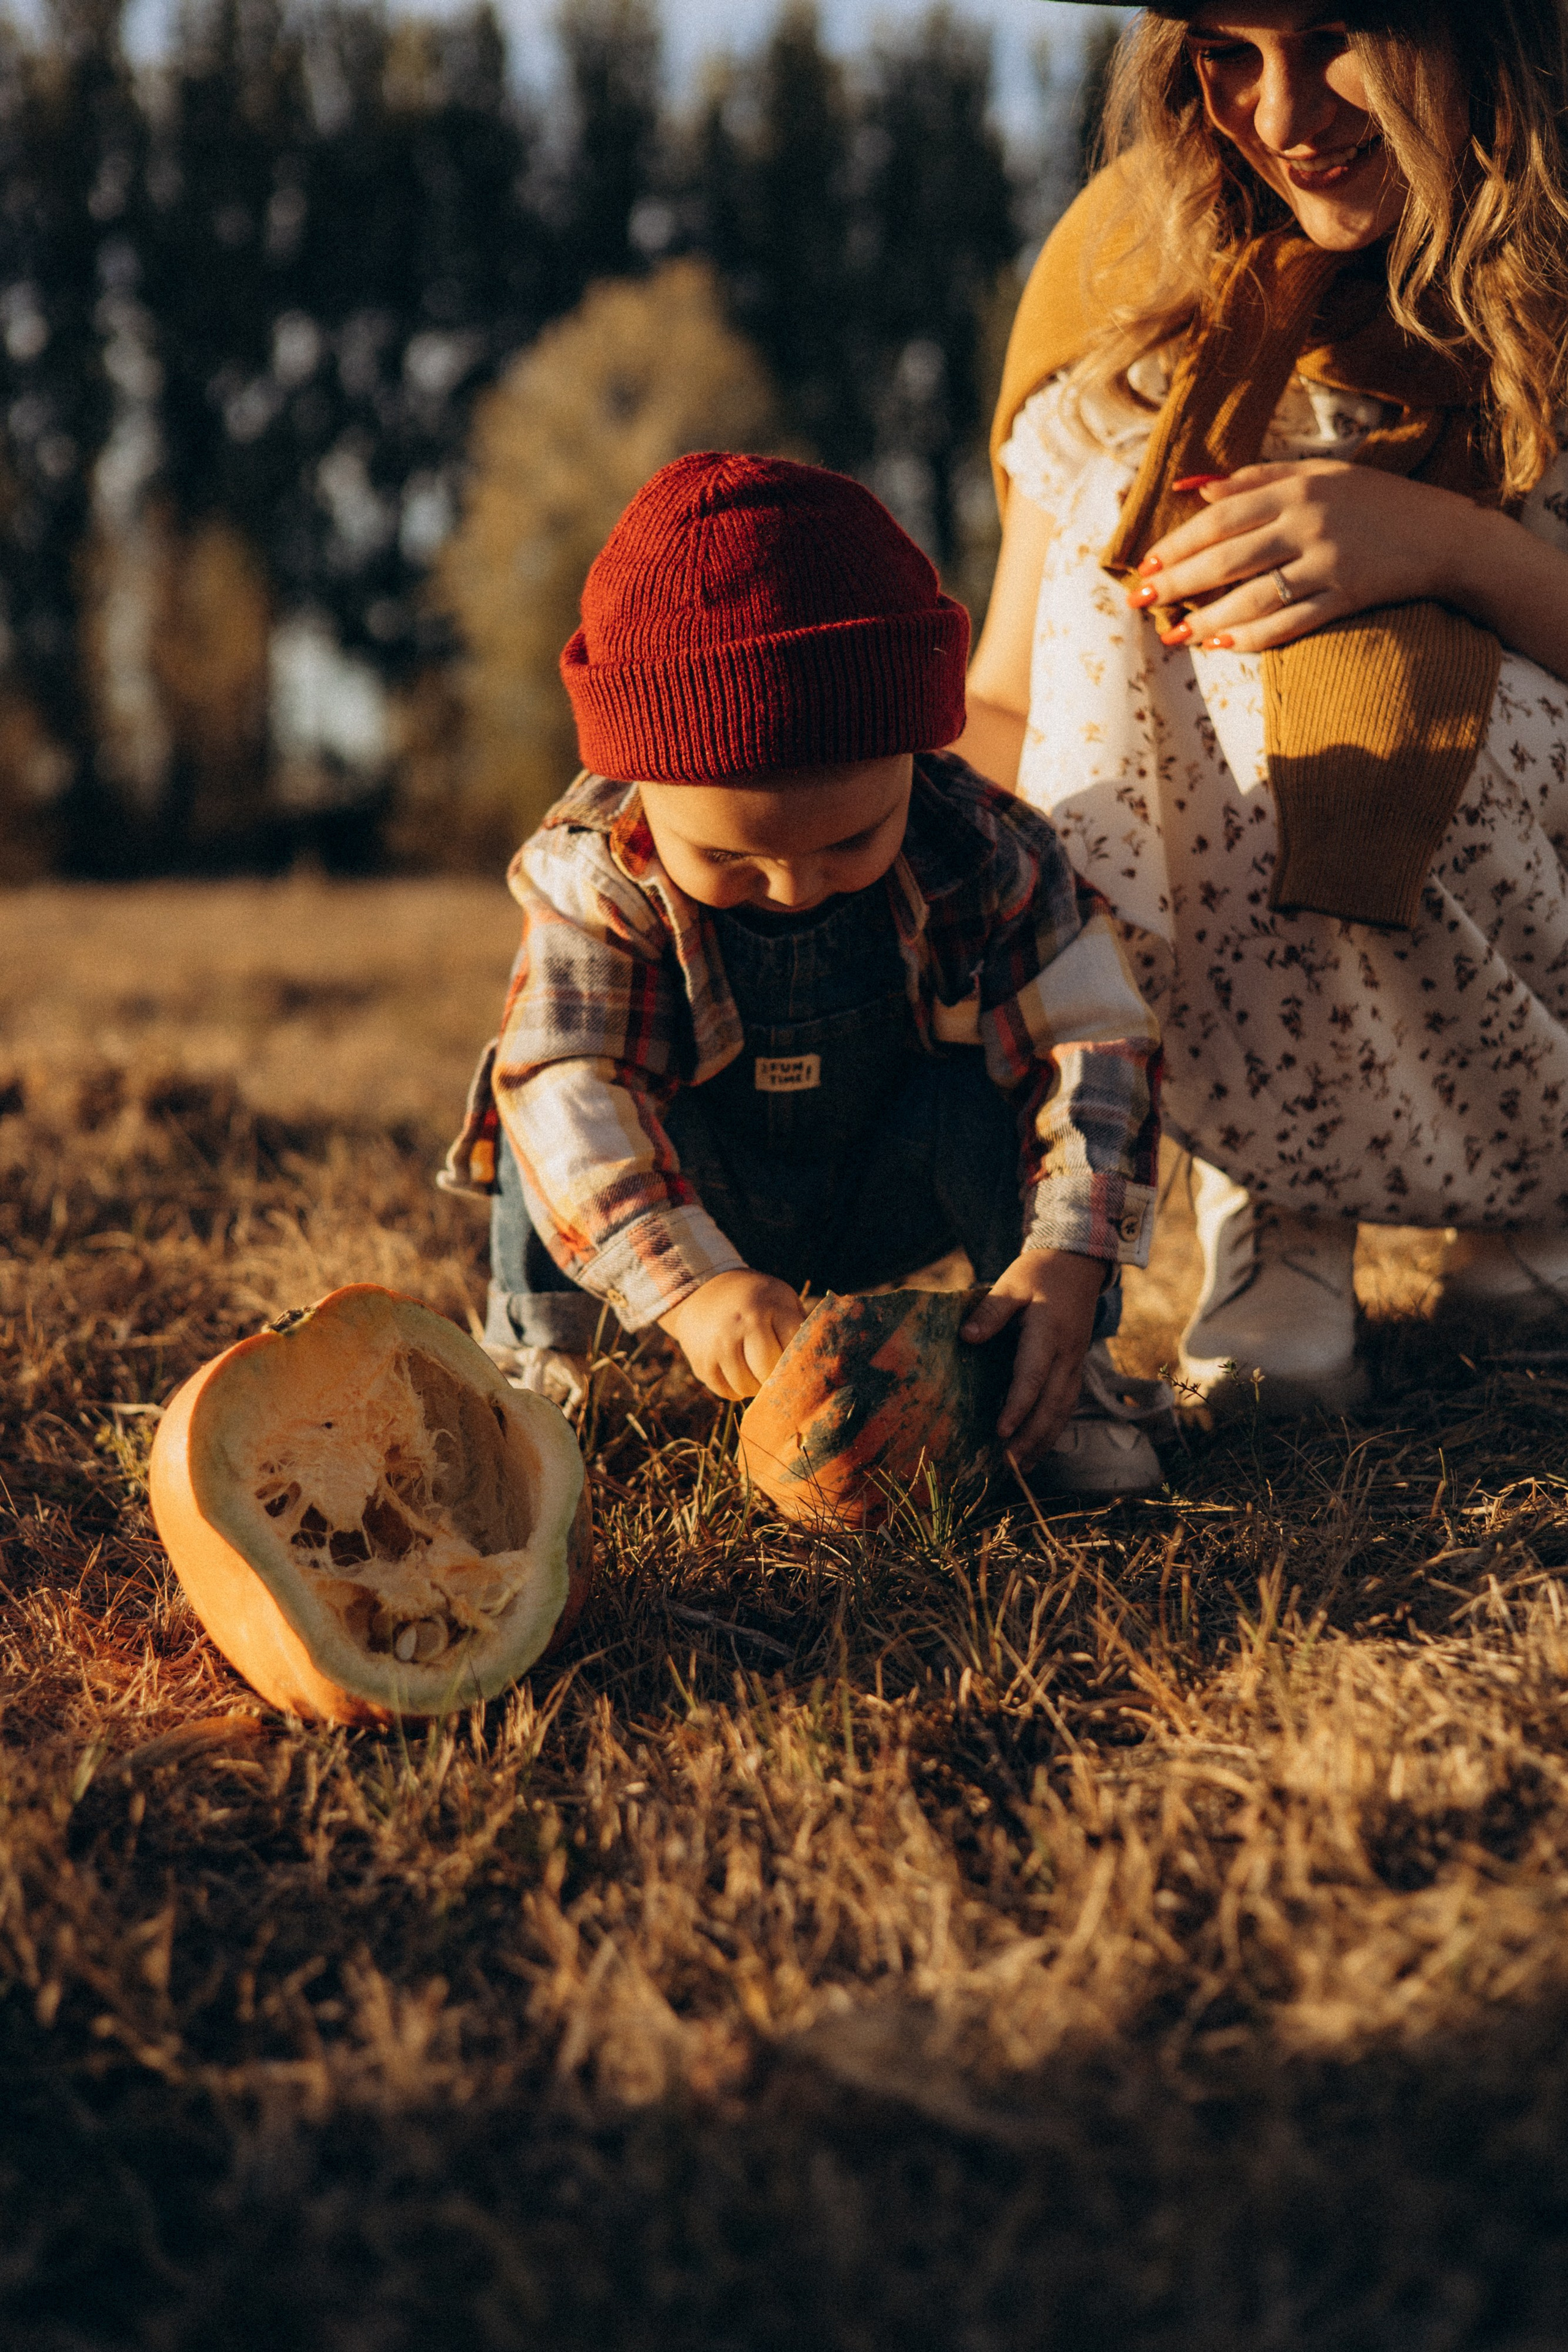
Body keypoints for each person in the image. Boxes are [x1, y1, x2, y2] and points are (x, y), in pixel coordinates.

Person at [962, 0, 1568, 1414]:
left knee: (1389, 666)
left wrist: (1448, 549)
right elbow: (1008, 693)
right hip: (1243, 989)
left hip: (1534, 906)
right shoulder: (1128, 258)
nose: (1281, 114)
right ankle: (1278, 1200)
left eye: (1336, 33)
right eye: (1225, 53)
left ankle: (1535, 1196)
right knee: (1129, 559)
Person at [443, 451, 1171, 1492]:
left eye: (849, 844)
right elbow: (572, 1092)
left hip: (878, 1174)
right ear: (641, 787)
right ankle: (536, 1376)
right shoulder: (599, 876)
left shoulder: (981, 846)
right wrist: (695, 1288)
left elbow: (1093, 1038)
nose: (794, 889)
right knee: (541, 1106)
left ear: (914, 756)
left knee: (991, 1098)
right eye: (732, 859)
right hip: (694, 1187)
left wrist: (1070, 1249)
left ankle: (1050, 1374)